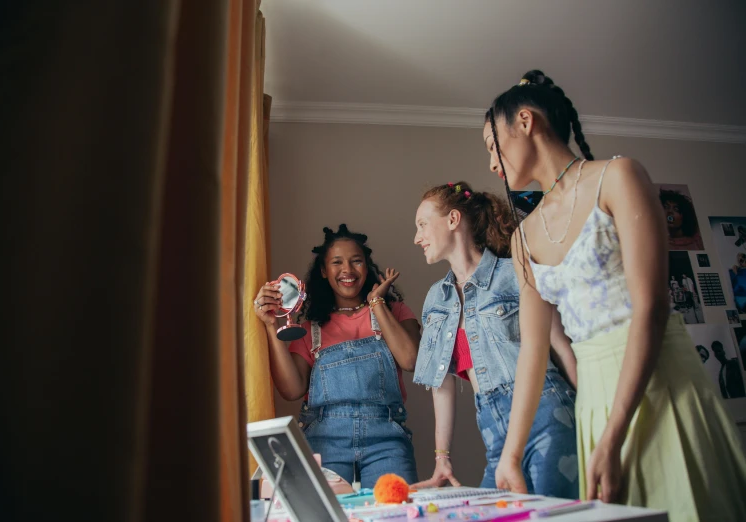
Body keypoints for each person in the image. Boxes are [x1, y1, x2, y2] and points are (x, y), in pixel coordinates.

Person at [483, 69, 746, 521]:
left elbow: (652, 308)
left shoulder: (618, 176)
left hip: (659, 383)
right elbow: (532, 350)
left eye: (493, 145)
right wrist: (510, 454)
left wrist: (614, 435)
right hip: (594, 404)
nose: (492, 163)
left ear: (525, 121)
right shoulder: (523, 239)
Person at [411, 182, 579, 498]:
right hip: (493, 429)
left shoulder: (514, 271)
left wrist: (593, 419)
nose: (417, 237)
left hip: (548, 415)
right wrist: (441, 458)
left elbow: (560, 345)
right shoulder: (437, 298)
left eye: (422, 225)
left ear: (453, 220)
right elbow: (440, 383)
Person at [252, 224, 421, 487]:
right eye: (337, 262)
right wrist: (271, 325)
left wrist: (377, 303)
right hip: (324, 440)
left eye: (357, 261)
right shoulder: (311, 327)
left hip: (386, 440)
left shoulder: (394, 311)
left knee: (395, 512)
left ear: (367, 266)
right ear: (323, 270)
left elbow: (411, 360)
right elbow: (292, 389)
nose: (348, 270)